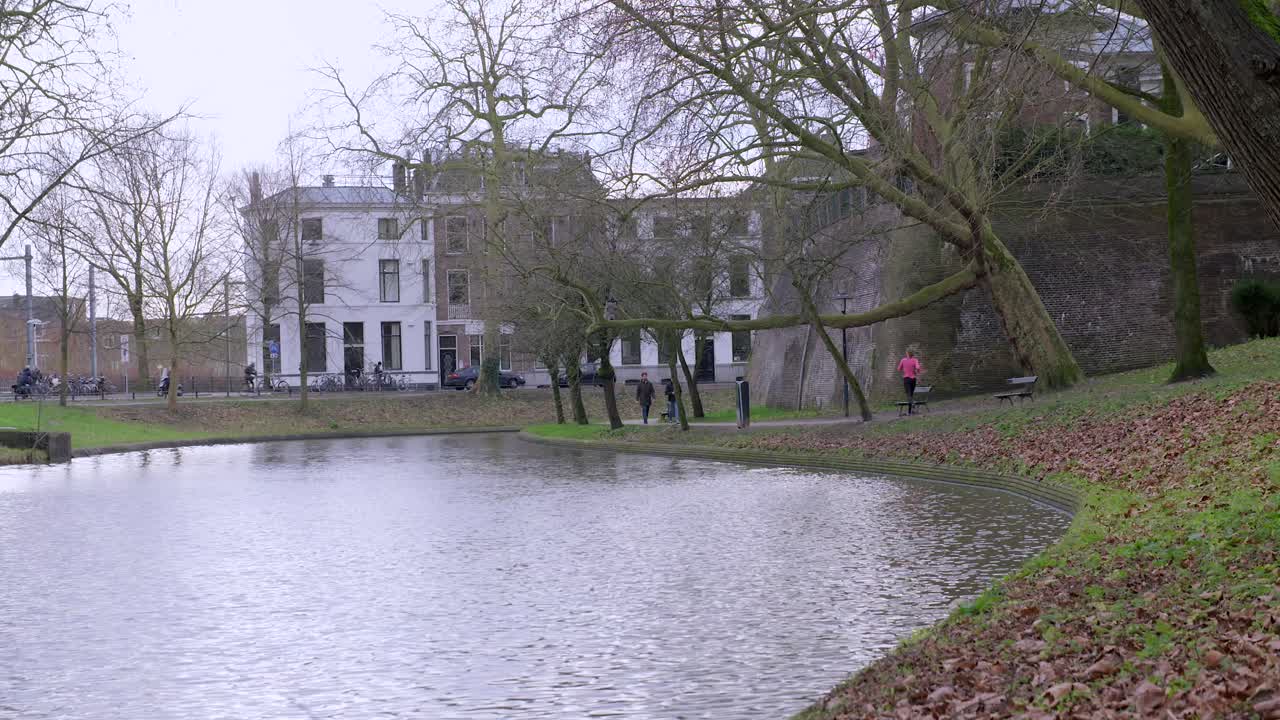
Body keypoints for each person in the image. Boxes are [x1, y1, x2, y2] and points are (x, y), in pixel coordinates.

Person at [897, 349, 923, 415]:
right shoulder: (915, 360)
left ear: (907, 354)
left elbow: (899, 369)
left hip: (906, 379)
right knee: (911, 394)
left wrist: (905, 369)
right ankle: (909, 412)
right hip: (913, 379)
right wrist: (917, 371)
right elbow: (918, 368)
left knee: (908, 395)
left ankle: (912, 404)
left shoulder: (903, 360)